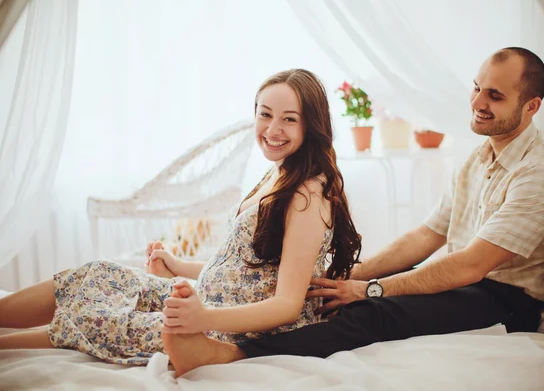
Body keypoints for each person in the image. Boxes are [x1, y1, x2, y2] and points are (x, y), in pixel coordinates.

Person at [160, 47, 544, 377]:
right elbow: (424, 237)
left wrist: (372, 290)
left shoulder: (543, 174)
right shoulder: (479, 158)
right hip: (466, 280)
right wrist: (351, 276)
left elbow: (471, 266)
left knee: (373, 311)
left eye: (495, 95)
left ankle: (229, 353)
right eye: (476, 87)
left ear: (531, 107)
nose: (478, 101)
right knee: (339, 298)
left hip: (505, 301)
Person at [0, 69, 362, 365]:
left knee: (101, 315)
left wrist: (202, 318)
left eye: (289, 120)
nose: (272, 129)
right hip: (212, 303)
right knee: (97, 275)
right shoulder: (279, 173)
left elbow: (286, 304)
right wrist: (178, 265)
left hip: (236, 325)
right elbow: (245, 269)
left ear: (311, 126)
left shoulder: (306, 196)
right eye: (264, 114)